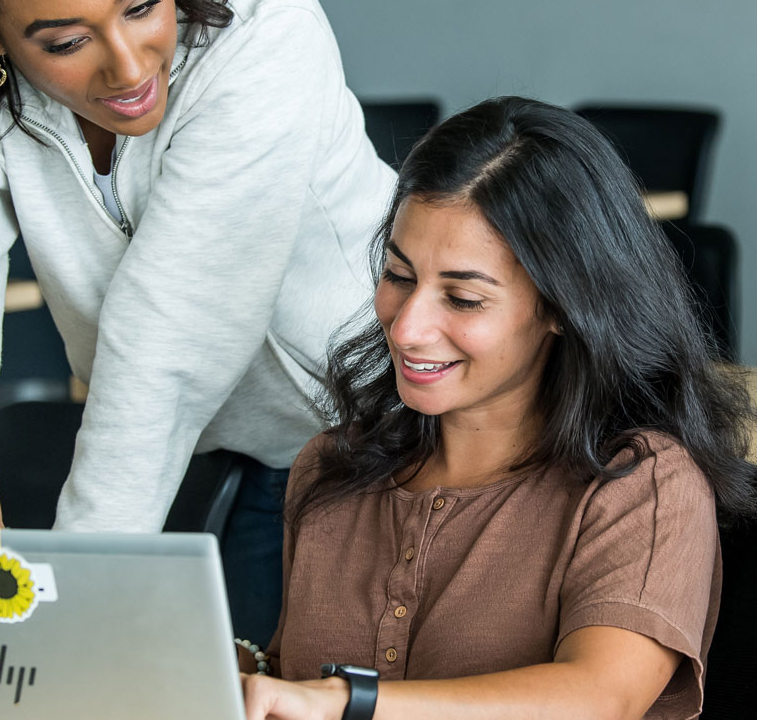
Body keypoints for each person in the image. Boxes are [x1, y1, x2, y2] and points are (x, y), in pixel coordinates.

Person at [0, 0, 395, 643]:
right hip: (212, 448)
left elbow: (168, 334)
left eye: (141, 8)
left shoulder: (264, 32)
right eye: (65, 43)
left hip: (382, 439)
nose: (130, 66)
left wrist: (78, 600)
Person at [239, 96, 757, 720]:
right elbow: (290, 674)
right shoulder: (331, 467)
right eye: (399, 277)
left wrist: (346, 703)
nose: (405, 330)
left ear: (563, 306)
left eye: (462, 298)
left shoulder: (642, 482)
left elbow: (600, 697)